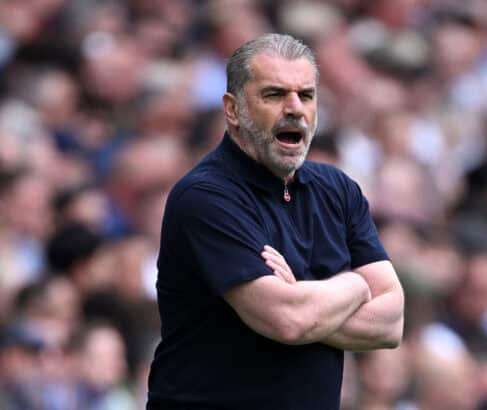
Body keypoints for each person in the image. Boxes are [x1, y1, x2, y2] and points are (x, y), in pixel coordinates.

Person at [146, 33, 404, 410]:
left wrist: (304, 296)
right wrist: (354, 285)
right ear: (233, 109)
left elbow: (391, 322)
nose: (295, 108)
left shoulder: (338, 189)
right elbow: (288, 320)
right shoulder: (204, 197)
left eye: (306, 95)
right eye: (274, 94)